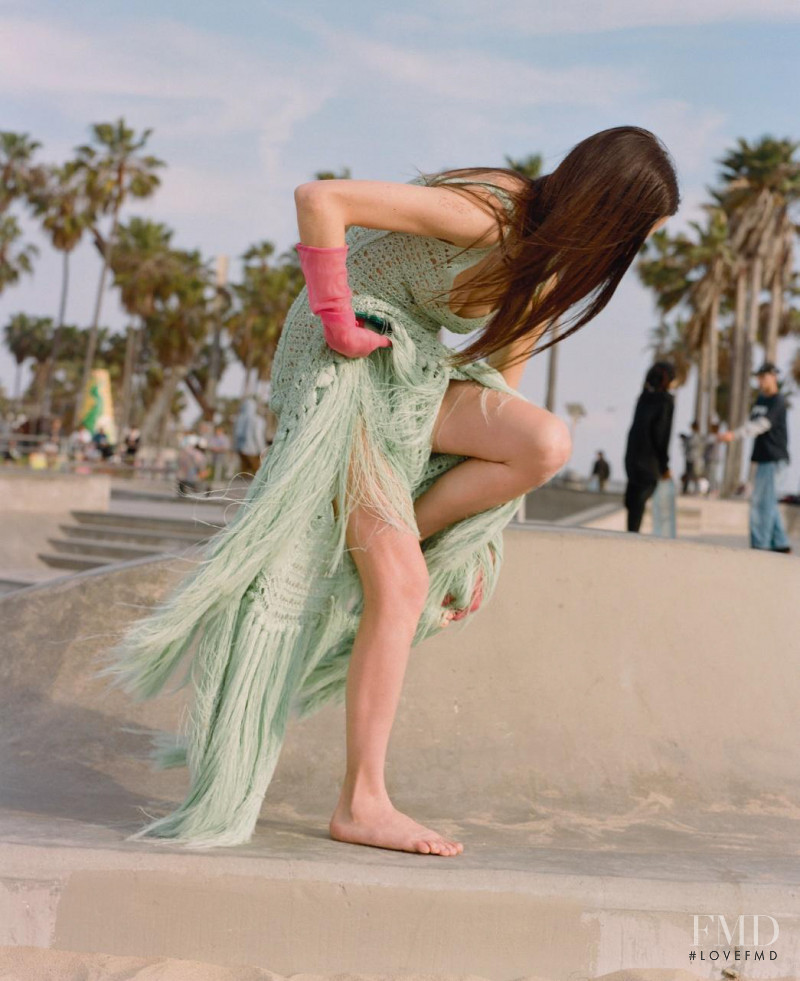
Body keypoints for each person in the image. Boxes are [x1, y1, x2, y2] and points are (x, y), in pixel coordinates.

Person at [99, 126, 680, 857]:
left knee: (546, 442)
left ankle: (419, 542)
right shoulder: (491, 213)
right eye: (637, 233)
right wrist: (338, 319)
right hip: (342, 368)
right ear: (608, 208)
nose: (632, 252)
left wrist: (474, 545)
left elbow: (502, 391)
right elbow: (322, 199)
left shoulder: (541, 268)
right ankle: (362, 800)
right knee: (398, 586)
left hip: (408, 377)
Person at [718, 361, 791, 553]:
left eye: (763, 377)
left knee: (761, 502)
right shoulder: (760, 401)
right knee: (768, 501)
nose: (760, 381)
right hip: (762, 458)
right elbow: (752, 422)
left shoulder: (778, 401)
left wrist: (734, 435)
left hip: (774, 459)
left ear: (773, 376)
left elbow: (761, 425)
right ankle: (781, 543)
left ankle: (761, 545)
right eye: (758, 378)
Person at [624, 361, 676, 533]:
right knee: (641, 497)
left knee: (633, 500)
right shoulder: (666, 401)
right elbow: (662, 435)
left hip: (632, 457)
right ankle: (632, 537)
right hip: (649, 461)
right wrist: (665, 466)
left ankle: (631, 533)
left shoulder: (643, 397)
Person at [233, 396, 267, 475]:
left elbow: (236, 435)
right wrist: (262, 449)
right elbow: (258, 436)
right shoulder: (258, 420)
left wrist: (235, 448)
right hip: (253, 451)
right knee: (257, 475)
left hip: (240, 450)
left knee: (243, 475)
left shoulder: (238, 419)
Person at [679, 420, 704, 495]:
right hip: (690, 457)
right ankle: (686, 489)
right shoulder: (693, 436)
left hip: (693, 458)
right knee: (688, 474)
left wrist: (686, 440)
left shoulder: (696, 436)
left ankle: (695, 490)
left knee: (693, 474)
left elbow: (692, 444)